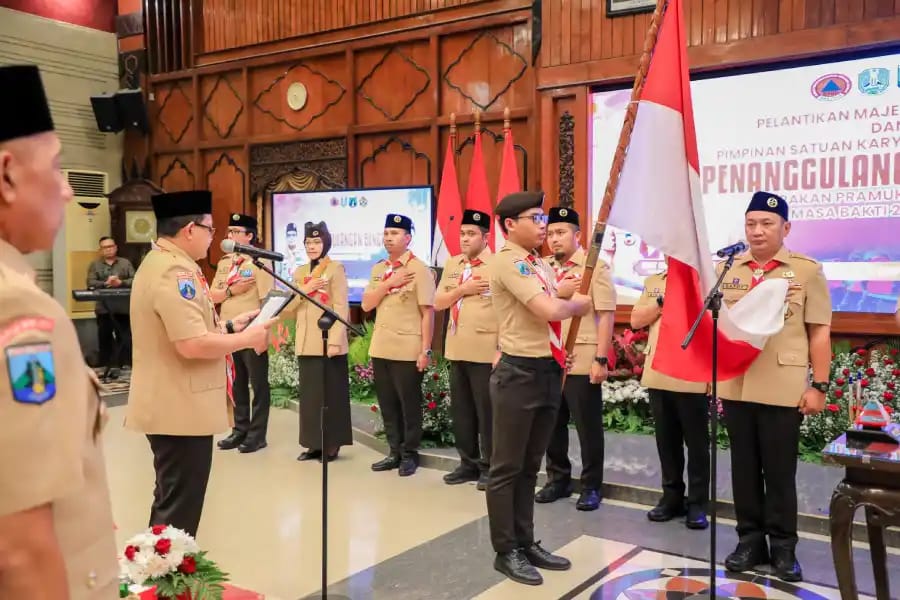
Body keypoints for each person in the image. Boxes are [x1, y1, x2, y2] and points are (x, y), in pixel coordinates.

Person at [0, 63, 119, 597]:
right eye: (56, 166)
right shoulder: (16, 310)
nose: (69, 191)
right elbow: (18, 550)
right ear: (7, 175)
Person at [125, 190, 272, 538]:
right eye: (210, 229)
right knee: (178, 510)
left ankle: (165, 567)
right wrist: (247, 339)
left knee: (173, 501)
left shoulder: (165, 262)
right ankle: (166, 572)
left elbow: (189, 329)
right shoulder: (174, 271)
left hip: (174, 403)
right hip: (178, 407)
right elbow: (191, 345)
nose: (214, 237)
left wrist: (233, 326)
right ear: (190, 229)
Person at [719, 191, 831, 582]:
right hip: (737, 384)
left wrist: (819, 385)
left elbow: (819, 331)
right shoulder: (728, 269)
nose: (757, 231)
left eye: (767, 223)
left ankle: (784, 548)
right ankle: (749, 541)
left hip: (783, 386)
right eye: (751, 223)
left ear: (786, 228)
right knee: (744, 469)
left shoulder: (806, 271)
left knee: (780, 472)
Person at [487, 191, 592, 586]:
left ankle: (525, 541)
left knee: (531, 466)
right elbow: (548, 309)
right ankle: (506, 550)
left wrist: (567, 297)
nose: (543, 225)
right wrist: (578, 305)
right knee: (507, 468)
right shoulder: (508, 260)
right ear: (510, 224)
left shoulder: (537, 262)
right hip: (519, 373)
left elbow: (552, 301)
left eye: (543, 218)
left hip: (547, 369)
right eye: (535, 218)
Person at [535, 207, 615, 512]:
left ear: (578, 235)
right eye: (550, 233)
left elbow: (605, 315)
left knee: (587, 426)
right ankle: (558, 479)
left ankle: (592, 485)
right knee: (551, 423)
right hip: (548, 355)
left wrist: (600, 358)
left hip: (581, 355)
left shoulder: (594, 268)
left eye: (561, 232)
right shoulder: (541, 267)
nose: (554, 239)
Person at [631, 259, 710, 530]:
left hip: (692, 373)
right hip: (659, 372)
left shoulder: (705, 280)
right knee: (667, 441)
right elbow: (636, 320)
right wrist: (662, 302)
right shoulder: (655, 282)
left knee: (697, 445)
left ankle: (698, 503)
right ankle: (671, 497)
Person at [362, 213, 435, 477]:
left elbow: (428, 313)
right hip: (381, 347)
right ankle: (393, 451)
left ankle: (409, 454)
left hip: (407, 348)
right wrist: (389, 284)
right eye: (386, 233)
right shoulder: (379, 270)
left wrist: (425, 350)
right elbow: (367, 305)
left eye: (394, 233)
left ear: (408, 238)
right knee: (388, 404)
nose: (388, 238)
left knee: (408, 405)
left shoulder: (419, 270)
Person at [434, 209, 497, 490]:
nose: (464, 239)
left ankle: (490, 467)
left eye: (471, 234)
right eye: (462, 233)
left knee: (487, 413)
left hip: (485, 350)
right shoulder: (453, 264)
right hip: (457, 347)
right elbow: (439, 302)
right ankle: (467, 464)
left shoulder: (497, 265)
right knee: (462, 412)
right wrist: (463, 289)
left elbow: (506, 311)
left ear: (486, 237)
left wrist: (501, 348)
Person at [291, 221, 353, 462]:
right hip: (306, 341)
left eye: (316, 242)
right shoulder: (300, 273)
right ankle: (313, 443)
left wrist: (336, 340)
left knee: (331, 396)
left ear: (325, 243)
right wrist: (306, 289)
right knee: (310, 398)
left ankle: (331, 444)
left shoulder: (335, 269)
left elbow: (341, 307)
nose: (312, 246)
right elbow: (289, 306)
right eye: (308, 242)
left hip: (328, 343)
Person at [211, 213, 273, 453]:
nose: (231, 235)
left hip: (253, 330)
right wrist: (231, 291)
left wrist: (264, 333)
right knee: (236, 383)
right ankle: (239, 429)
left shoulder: (261, 262)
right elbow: (212, 296)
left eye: (236, 232)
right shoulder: (225, 263)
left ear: (250, 236)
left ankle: (257, 435)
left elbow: (267, 300)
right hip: (228, 331)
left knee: (258, 384)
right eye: (229, 231)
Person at [86, 235, 135, 372]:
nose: (108, 249)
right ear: (100, 250)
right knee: (104, 336)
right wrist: (105, 283)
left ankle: (125, 364)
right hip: (104, 308)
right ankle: (106, 365)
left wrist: (121, 283)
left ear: (115, 248)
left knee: (124, 336)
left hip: (123, 308)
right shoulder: (95, 265)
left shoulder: (125, 263)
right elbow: (90, 282)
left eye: (110, 246)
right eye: (104, 247)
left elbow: (135, 279)